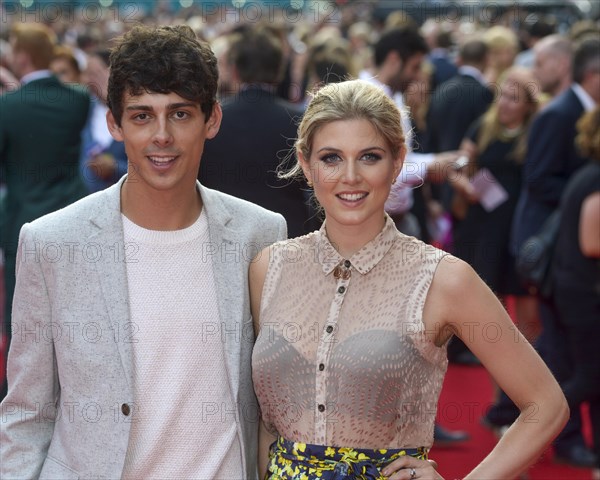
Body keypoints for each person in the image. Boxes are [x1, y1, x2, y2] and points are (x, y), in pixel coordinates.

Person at [0, 24, 286, 479]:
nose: (161, 136)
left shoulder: (261, 234)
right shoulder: (52, 242)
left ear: (212, 119)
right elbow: (27, 413)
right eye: (141, 116)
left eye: (180, 114)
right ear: (114, 123)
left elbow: (280, 396)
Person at [249, 79, 568, 480]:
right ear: (307, 163)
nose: (350, 176)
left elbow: (546, 404)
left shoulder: (443, 279)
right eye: (331, 158)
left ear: (398, 161)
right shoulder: (269, 269)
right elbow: (265, 420)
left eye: (369, 157)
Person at [510, 35, 600, 468]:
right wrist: (585, 202)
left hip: (570, 252)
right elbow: (540, 179)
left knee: (569, 350)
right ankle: (545, 431)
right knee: (565, 352)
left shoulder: (577, 112)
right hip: (554, 254)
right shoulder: (559, 113)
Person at [0, 23, 90, 400]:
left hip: (20, 214)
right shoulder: (78, 99)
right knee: (73, 302)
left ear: (21, 57)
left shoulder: (8, 106)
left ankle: (22, 390)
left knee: (21, 306)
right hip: (71, 210)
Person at [199, 26, 309, 237]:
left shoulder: (210, 120)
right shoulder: (302, 122)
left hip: (223, 236)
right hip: (289, 238)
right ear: (279, 70)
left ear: (234, 70)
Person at [552, 107, 600, 472]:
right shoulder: (595, 180)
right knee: (589, 375)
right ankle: (530, 423)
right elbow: (592, 243)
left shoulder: (585, 175)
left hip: (573, 287)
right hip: (584, 292)